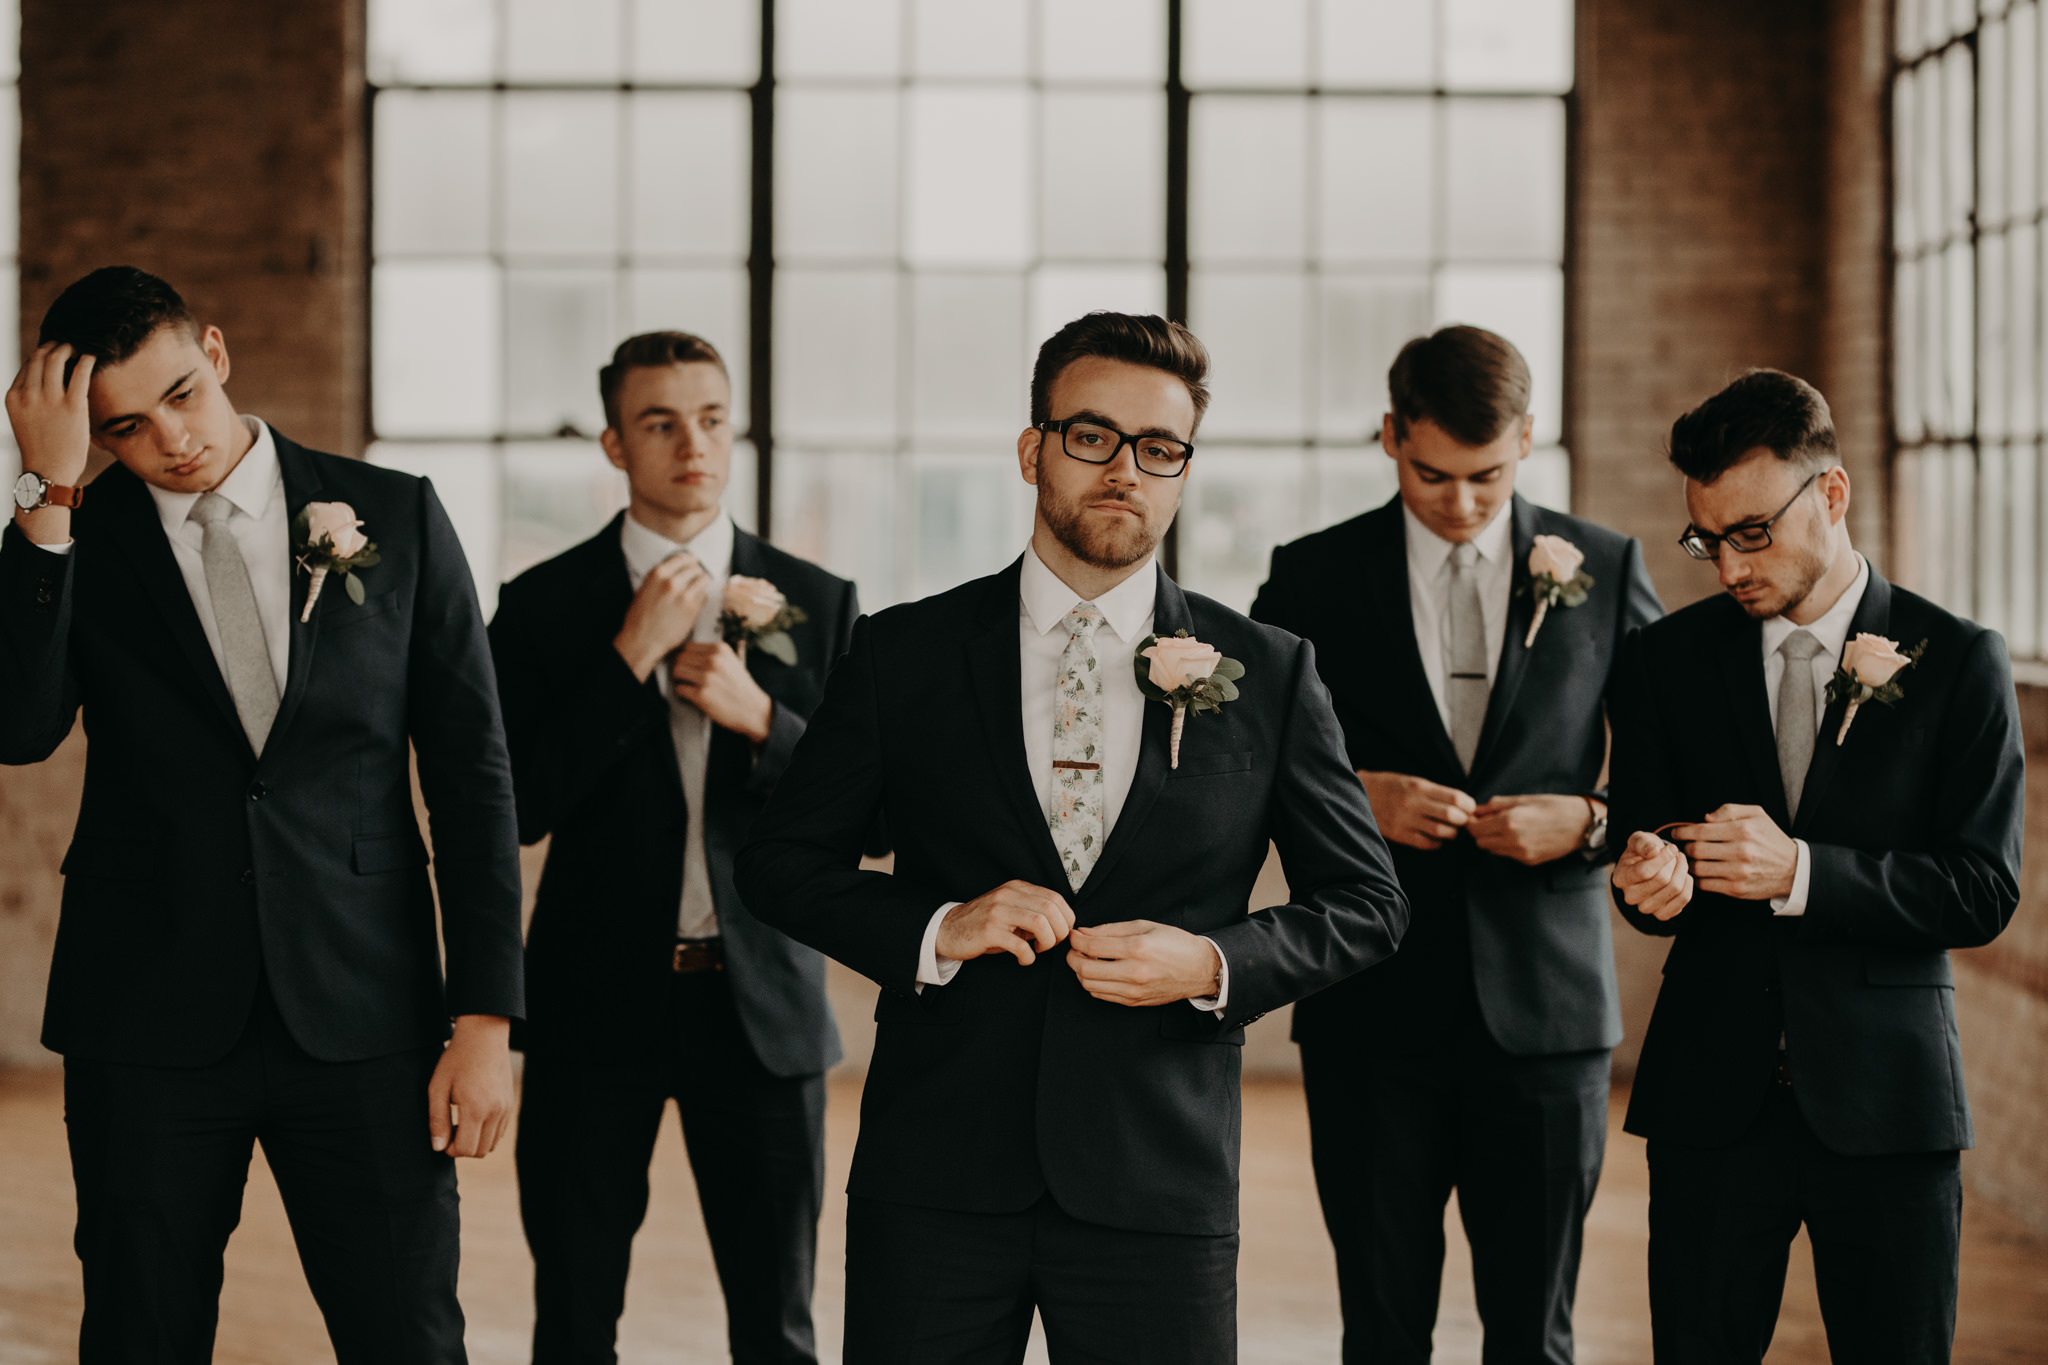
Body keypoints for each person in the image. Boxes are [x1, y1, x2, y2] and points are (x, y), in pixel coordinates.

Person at [734, 310, 1409, 1364]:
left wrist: (1211, 961)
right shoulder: (902, 653)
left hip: (1161, 1178)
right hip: (935, 1177)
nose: (1124, 472)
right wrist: (934, 927)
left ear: (1183, 471)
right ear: (1031, 449)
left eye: (1158, 449)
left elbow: (1367, 905)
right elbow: (779, 864)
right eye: (1091, 436)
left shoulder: (1270, 673)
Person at [0, 266, 523, 1363]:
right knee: (141, 1331)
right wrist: (46, 499)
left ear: (220, 352)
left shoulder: (396, 515)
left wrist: (483, 1022)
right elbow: (19, 725)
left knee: (408, 1336)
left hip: (367, 1018)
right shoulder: (75, 542)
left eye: (183, 393)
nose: (173, 442)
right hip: (146, 1021)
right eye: (125, 429)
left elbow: (474, 778)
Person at [1250, 324, 1663, 1364]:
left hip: (1548, 1020)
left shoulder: (1603, 567)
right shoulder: (1309, 576)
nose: (1461, 504)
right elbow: (1234, 769)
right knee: (1380, 1330)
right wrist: (1354, 796)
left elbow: (1678, 771)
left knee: (1534, 1333)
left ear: (1528, 438)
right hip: (1368, 1012)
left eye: (1485, 475)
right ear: (1388, 436)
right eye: (1431, 474)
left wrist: (1591, 821)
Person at [1607, 369, 2023, 1364]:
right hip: (1708, 1104)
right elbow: (1642, 846)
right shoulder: (1660, 662)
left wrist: (1799, 873)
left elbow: (1980, 888)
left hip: (1890, 1107)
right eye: (1704, 539)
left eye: (1749, 534)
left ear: (1828, 496)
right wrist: (1648, 882)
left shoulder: (1957, 660)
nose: (1725, 567)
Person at [490, 331, 860, 1365]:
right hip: (590, 1002)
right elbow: (511, 806)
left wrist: (764, 723)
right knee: (572, 1311)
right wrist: (625, 663)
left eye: (708, 417)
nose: (690, 443)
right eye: (658, 422)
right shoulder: (540, 606)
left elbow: (867, 820)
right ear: (615, 444)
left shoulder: (819, 602)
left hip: (762, 1013)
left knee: (777, 1324)